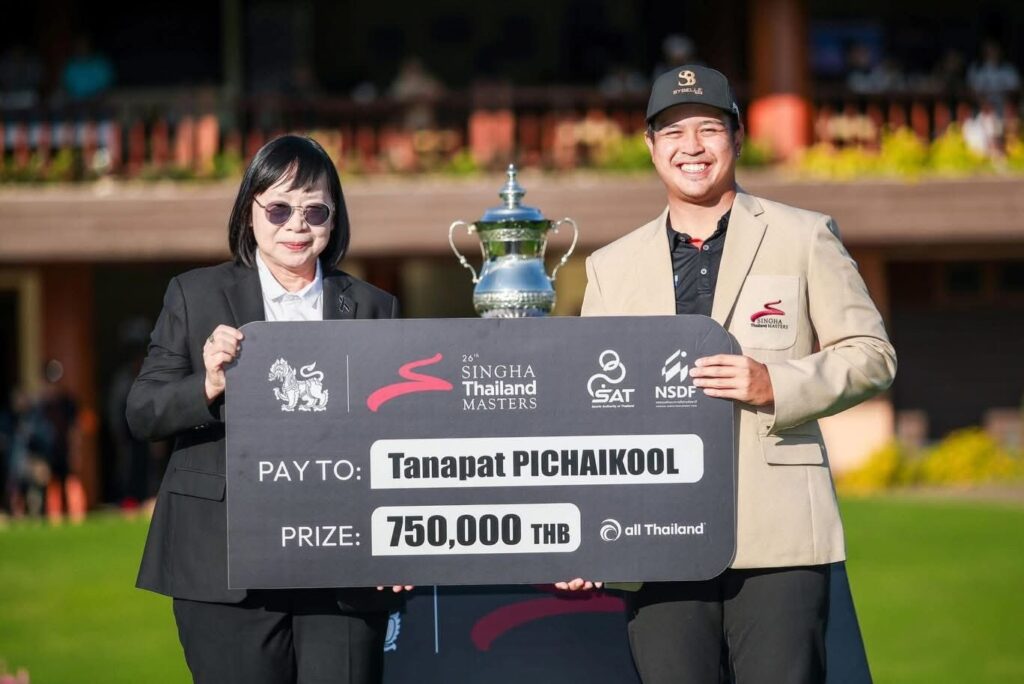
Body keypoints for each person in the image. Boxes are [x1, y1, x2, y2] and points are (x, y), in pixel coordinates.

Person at [559, 65, 896, 683]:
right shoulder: (611, 266)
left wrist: (777, 384)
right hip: (656, 533)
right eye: (672, 132)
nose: (691, 147)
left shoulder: (804, 236)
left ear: (737, 138)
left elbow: (872, 354)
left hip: (779, 534)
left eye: (709, 129)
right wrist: (587, 530)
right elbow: (595, 412)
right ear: (651, 147)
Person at [127, 135, 411, 684]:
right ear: (249, 211)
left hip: (343, 565)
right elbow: (142, 411)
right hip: (225, 565)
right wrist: (208, 384)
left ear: (334, 217)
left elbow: (399, 433)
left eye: (314, 210)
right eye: (279, 208)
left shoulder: (375, 306)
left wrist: (395, 546)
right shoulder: (194, 294)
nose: (296, 225)